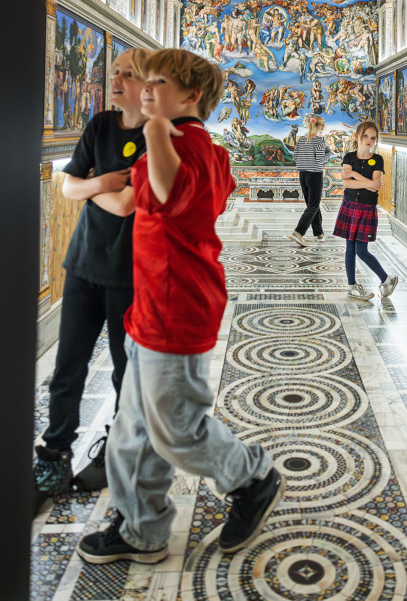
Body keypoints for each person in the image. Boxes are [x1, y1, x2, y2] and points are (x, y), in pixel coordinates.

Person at [77, 49, 284, 565]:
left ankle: (252, 477)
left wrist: (151, 129)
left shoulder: (184, 145)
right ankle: (141, 528)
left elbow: (166, 194)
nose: (145, 89)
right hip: (151, 306)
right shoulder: (187, 146)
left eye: (158, 82)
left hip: (178, 307)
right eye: (143, 81)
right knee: (131, 430)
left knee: (175, 429)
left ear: (191, 96)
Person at [33, 48, 152, 517]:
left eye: (126, 74)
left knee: (126, 373)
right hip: (82, 264)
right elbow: (68, 186)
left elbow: (129, 206)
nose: (115, 80)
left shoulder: (156, 137)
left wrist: (93, 186)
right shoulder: (100, 125)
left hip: (128, 272)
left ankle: (114, 452)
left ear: (148, 85)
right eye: (114, 72)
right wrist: (105, 183)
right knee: (67, 368)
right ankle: (54, 456)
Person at [333, 120, 398, 302]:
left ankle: (386, 279)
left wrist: (355, 175)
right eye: (365, 136)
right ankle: (352, 286)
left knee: (361, 250)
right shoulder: (349, 157)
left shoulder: (377, 159)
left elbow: (375, 188)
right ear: (357, 137)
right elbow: (346, 182)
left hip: (367, 208)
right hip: (350, 206)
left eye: (373, 138)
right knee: (350, 248)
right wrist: (364, 181)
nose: (369, 140)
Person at [289, 115, 332, 247]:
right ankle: (298, 232)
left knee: (312, 205)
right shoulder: (319, 140)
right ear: (322, 127)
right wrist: (329, 153)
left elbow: (295, 157)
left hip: (303, 175)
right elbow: (320, 159)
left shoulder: (302, 139)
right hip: (315, 175)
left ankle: (319, 233)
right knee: (313, 205)